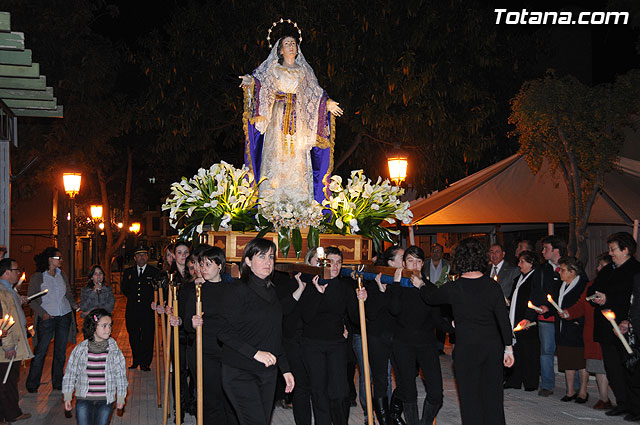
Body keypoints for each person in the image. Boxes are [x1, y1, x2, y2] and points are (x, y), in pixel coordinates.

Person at [415, 237, 514, 425]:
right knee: (493, 399)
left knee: (470, 400)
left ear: (459, 260)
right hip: (491, 348)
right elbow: (503, 320)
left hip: (466, 349)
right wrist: (508, 348)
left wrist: (420, 284)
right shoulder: (493, 286)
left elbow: (431, 297)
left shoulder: (454, 287)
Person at [240, 32, 343, 205]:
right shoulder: (273, 69)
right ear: (280, 50)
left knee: (298, 159)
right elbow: (261, 83)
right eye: (287, 43)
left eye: (293, 43)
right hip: (277, 117)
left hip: (299, 119)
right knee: (276, 155)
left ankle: (300, 204)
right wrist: (250, 82)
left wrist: (328, 103)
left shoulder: (304, 71)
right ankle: (270, 203)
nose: (291, 46)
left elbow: (315, 94)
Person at [213, 238, 295, 425]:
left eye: (271, 257)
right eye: (262, 256)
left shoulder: (272, 291)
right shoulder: (237, 290)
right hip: (240, 371)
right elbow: (223, 332)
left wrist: (286, 369)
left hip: (267, 373)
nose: (268, 262)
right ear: (248, 261)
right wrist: (255, 353)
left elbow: (274, 335)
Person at [298, 246, 364, 425]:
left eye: (339, 262)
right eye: (331, 262)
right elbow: (306, 317)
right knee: (319, 392)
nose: (335, 266)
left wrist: (362, 302)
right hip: (312, 344)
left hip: (336, 344)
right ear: (323, 263)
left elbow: (357, 320)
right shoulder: (312, 283)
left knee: (340, 392)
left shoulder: (345, 287)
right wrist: (318, 294)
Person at [390, 246, 449, 425]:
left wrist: (455, 325)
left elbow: (438, 321)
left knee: (436, 393)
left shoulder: (429, 288)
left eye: (417, 261)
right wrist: (396, 284)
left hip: (427, 344)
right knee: (408, 391)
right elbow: (394, 309)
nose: (414, 265)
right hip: (403, 344)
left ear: (423, 264)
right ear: (404, 263)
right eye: (410, 260)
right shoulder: (399, 286)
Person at [589, 232, 640, 419]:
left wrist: (608, 298)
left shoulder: (635, 270)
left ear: (626, 250)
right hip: (606, 327)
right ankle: (622, 402)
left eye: (613, 249)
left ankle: (635, 406)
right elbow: (594, 288)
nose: (610, 253)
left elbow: (631, 298)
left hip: (625, 327)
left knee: (629, 368)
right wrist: (597, 297)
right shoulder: (609, 269)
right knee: (612, 367)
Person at [563, 253, 612, 410]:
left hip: (612, 333)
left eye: (601, 266)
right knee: (598, 367)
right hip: (593, 333)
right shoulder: (591, 285)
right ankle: (604, 398)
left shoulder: (617, 284)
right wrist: (568, 313)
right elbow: (581, 306)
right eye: (598, 266)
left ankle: (622, 401)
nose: (598, 268)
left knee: (613, 368)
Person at [26, 247, 78, 393]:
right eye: (58, 258)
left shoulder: (62, 275)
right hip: (47, 318)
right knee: (41, 351)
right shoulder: (38, 277)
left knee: (60, 351)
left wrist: (73, 304)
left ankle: (57, 382)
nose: (61, 260)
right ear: (50, 259)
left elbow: (67, 293)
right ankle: (32, 383)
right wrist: (42, 314)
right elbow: (32, 299)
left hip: (64, 315)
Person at [62, 308, 127, 425]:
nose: (108, 329)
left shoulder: (113, 349)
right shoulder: (81, 349)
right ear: (93, 326)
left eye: (110, 326)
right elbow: (70, 373)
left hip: (105, 400)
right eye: (104, 325)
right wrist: (67, 396)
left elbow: (121, 375)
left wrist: (121, 397)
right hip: (84, 399)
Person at [541, 257, 588, 403]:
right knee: (567, 360)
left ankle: (583, 392)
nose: (559, 272)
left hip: (576, 328)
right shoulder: (561, 286)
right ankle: (570, 390)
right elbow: (556, 305)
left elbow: (585, 307)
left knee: (580, 361)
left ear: (572, 271)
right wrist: (547, 309)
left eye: (562, 270)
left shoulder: (582, 285)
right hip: (562, 329)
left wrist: (572, 316)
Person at [369, 245, 403, 425]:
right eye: (402, 259)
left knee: (406, 375)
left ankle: (395, 413)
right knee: (381, 379)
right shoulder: (375, 279)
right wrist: (381, 291)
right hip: (378, 335)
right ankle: (384, 419)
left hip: (398, 336)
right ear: (391, 262)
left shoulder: (404, 281)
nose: (405, 263)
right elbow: (372, 313)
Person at [531, 235, 566, 396]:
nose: (543, 252)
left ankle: (576, 387)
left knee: (568, 350)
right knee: (546, 351)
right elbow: (536, 291)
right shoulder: (541, 270)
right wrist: (541, 306)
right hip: (546, 317)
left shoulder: (569, 266)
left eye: (546, 248)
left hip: (565, 317)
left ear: (556, 250)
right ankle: (547, 384)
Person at [0, 258, 32, 423]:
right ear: (6, 272)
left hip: (14, 343)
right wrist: (7, 346)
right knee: (6, 381)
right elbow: (3, 320)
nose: (18, 273)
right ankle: (7, 414)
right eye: (15, 270)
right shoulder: (1, 292)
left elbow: (12, 310)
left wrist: (20, 301)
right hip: (7, 346)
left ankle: (12, 412)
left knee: (11, 379)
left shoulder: (9, 290)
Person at [503, 250, 540, 392]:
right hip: (516, 317)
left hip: (527, 320)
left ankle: (530, 382)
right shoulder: (519, 278)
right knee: (517, 349)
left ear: (531, 263)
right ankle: (514, 379)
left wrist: (528, 317)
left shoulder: (535, 277)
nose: (519, 264)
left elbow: (534, 298)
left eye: (522, 262)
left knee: (529, 351)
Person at [120, 246, 159, 371]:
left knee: (147, 336)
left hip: (148, 310)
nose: (142, 257)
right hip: (132, 310)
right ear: (135, 258)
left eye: (144, 255)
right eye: (139, 255)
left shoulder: (154, 272)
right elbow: (124, 288)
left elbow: (158, 289)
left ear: (147, 257)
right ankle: (136, 360)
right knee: (134, 336)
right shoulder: (129, 272)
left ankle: (145, 363)